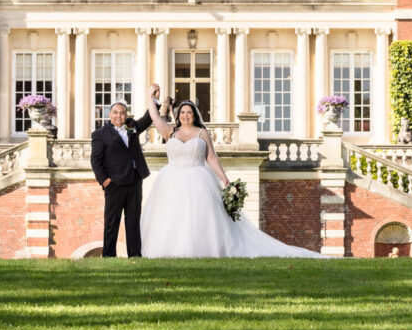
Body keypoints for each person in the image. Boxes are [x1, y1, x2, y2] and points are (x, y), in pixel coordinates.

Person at [140, 84, 329, 259]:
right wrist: (150, 96)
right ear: (177, 114)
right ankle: (171, 250)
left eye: (189, 112)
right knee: (172, 217)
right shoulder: (170, 132)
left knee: (198, 217)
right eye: (182, 112)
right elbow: (155, 117)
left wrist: (225, 180)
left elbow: (211, 158)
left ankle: (200, 249)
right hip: (171, 181)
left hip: (198, 179)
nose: (186, 115)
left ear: (194, 115)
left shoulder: (202, 133)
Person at [89, 98, 155, 257]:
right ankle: (108, 255)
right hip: (114, 184)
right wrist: (105, 181)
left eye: (122, 113)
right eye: (115, 112)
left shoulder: (131, 126)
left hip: (134, 180)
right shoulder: (100, 134)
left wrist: (154, 99)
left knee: (133, 221)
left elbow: (148, 119)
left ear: (126, 115)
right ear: (109, 114)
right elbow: (95, 160)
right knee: (112, 223)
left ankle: (135, 255)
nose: (119, 116)